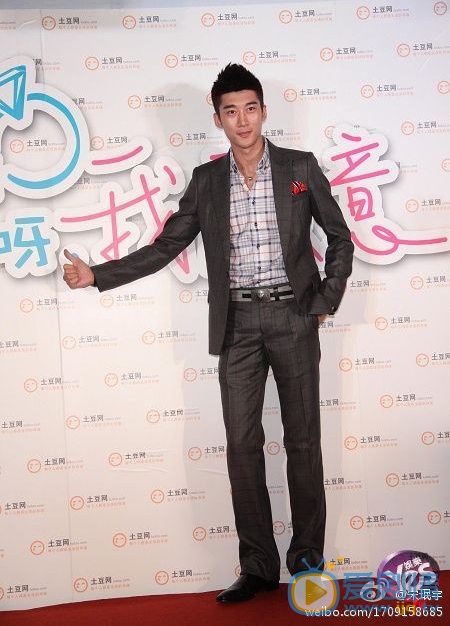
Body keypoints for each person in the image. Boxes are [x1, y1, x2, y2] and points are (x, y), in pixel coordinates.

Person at [63, 63, 354, 603]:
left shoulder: (299, 167)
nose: (242, 120)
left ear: (264, 111)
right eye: (230, 111)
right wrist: (97, 275)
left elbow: (339, 237)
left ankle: (307, 562)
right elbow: (165, 246)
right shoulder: (206, 181)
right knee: (242, 446)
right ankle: (259, 566)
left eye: (250, 108)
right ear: (217, 119)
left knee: (303, 442)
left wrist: (324, 299)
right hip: (237, 326)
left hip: (293, 319)